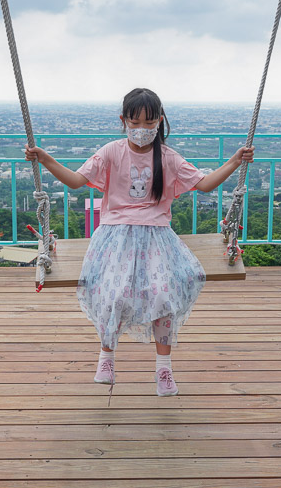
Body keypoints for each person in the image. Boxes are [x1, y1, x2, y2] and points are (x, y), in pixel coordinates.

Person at [24, 87, 254, 398]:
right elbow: (77, 181)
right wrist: (46, 159)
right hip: (115, 235)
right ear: (124, 121)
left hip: (156, 235)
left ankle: (164, 368)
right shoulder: (112, 152)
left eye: (149, 124)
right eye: (136, 123)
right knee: (114, 293)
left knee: (163, 296)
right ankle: (106, 358)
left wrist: (234, 162)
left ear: (159, 122)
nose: (142, 130)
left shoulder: (168, 158)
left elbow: (204, 184)